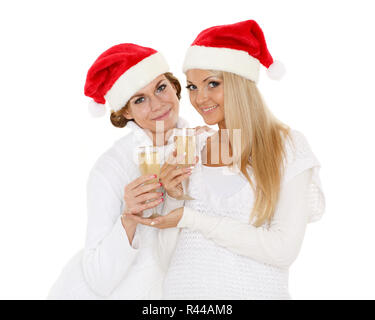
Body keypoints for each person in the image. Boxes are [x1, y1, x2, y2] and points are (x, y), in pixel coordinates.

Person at [127, 20, 326, 299]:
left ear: (240, 81)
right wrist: (172, 197)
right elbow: (165, 259)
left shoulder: (288, 147)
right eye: (193, 87)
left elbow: (282, 250)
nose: (200, 98)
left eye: (212, 83)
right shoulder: (189, 148)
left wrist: (193, 219)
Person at [47, 43, 194, 299]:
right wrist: (128, 218)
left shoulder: (208, 147)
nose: (158, 104)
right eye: (140, 99)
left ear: (174, 86)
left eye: (161, 87)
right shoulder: (111, 168)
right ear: (126, 111)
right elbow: (99, 279)